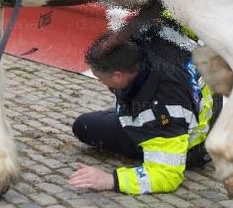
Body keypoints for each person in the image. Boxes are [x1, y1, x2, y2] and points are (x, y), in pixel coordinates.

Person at [69, 12, 220, 194]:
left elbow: (166, 175)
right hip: (208, 107)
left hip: (193, 145)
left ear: (118, 75)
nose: (101, 83)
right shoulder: (153, 34)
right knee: (93, 123)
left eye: (102, 79)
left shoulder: (162, 108)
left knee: (85, 127)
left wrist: (110, 180)